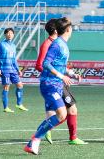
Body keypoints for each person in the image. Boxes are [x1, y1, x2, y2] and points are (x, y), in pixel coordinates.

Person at [24, 17, 77, 155]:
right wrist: (61, 76)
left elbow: (58, 64)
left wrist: (70, 73)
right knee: (62, 114)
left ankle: (32, 143)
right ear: (68, 29)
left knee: (57, 116)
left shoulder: (62, 44)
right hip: (49, 84)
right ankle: (35, 139)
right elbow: (46, 64)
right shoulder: (57, 44)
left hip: (56, 84)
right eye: (71, 28)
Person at [35, 18, 87, 145]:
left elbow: (60, 65)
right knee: (68, 111)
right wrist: (57, 75)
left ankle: (66, 135)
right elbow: (41, 64)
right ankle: (46, 131)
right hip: (53, 81)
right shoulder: (50, 44)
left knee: (65, 111)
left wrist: (70, 73)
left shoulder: (59, 43)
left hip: (58, 81)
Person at [0, 28, 28, 113]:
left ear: (13, 35)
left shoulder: (13, 46)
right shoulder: (1, 44)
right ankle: (6, 107)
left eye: (11, 33)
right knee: (6, 87)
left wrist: (18, 69)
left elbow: (14, 59)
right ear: (5, 35)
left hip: (13, 69)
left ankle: (19, 104)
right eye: (8, 33)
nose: (9, 35)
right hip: (4, 69)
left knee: (20, 85)